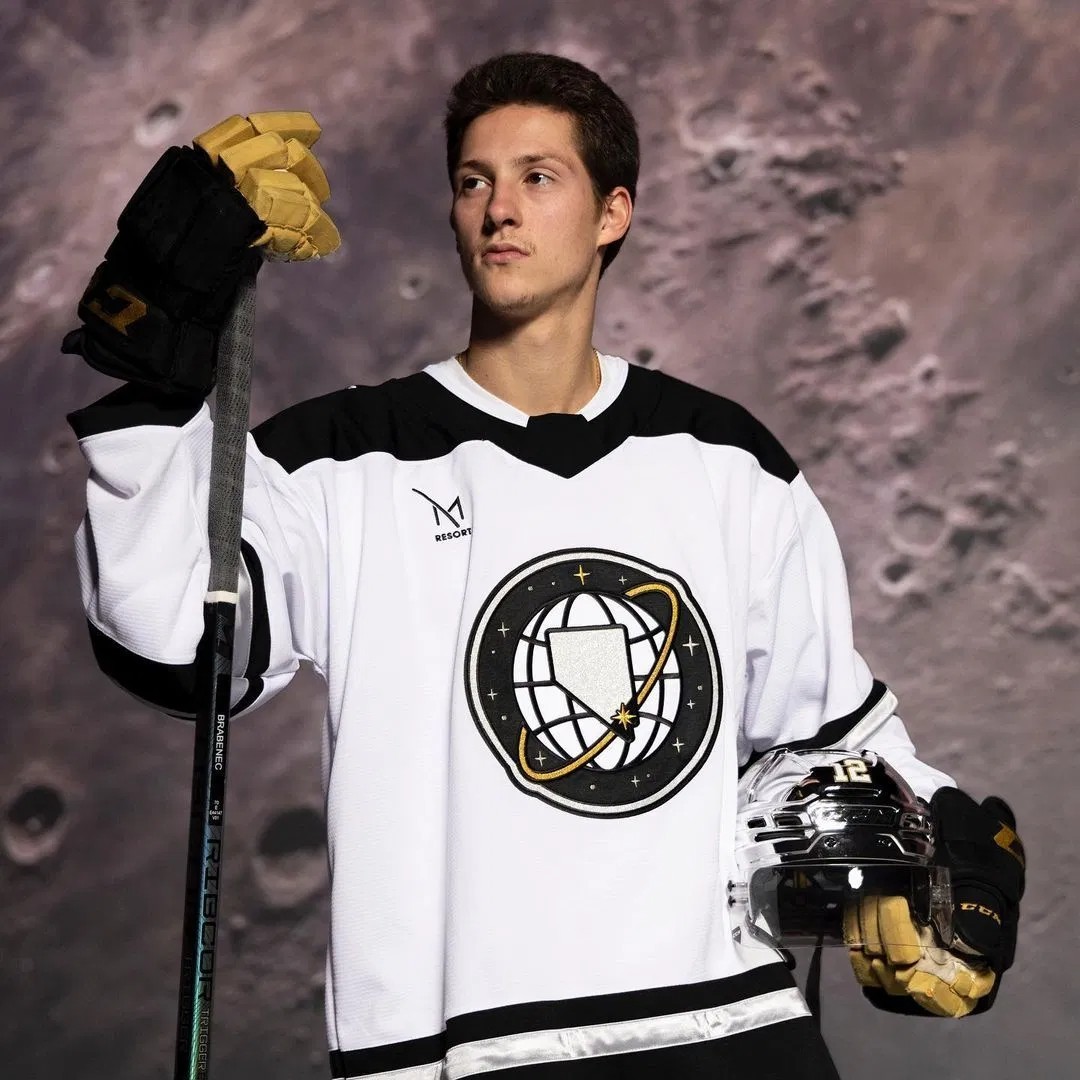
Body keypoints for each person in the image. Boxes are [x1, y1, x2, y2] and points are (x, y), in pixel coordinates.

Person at [63, 53, 1024, 1079]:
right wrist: (150, 349)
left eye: (537, 177)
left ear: (613, 213)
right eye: (473, 181)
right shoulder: (339, 461)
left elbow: (826, 733)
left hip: (732, 1034)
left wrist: (947, 850)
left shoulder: (726, 460)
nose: (499, 210)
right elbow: (173, 639)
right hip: (465, 1053)